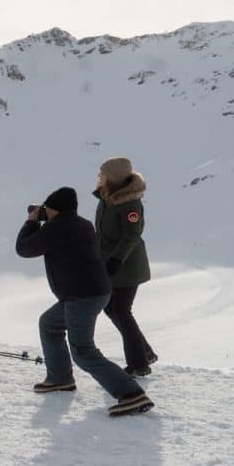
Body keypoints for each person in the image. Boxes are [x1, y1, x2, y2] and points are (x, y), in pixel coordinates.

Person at [15, 186, 153, 417]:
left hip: (82, 296)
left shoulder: (57, 228)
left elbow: (24, 248)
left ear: (55, 209)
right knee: (49, 323)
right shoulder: (83, 224)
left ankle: (132, 394)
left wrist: (31, 221)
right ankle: (60, 378)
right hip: (95, 292)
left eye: (47, 208)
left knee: (83, 351)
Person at [93, 157, 157, 377]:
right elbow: (101, 234)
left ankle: (139, 364)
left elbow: (131, 236)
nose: (99, 176)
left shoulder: (130, 204)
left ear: (112, 177)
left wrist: (115, 260)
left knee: (120, 310)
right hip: (110, 264)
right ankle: (145, 353)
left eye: (102, 173)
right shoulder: (106, 198)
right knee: (111, 308)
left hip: (128, 266)